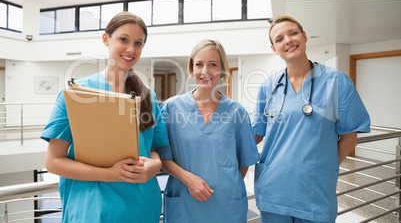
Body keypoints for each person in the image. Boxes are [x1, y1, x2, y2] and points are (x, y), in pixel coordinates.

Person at [41, 12, 169, 223]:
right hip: (92, 210)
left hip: (142, 208)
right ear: (105, 39)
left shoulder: (148, 96)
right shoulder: (77, 94)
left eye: (138, 43)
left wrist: (153, 167)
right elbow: (54, 161)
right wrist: (109, 174)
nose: (131, 49)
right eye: (123, 40)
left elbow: (153, 150)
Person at [251, 15, 370, 223]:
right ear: (274, 49)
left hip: (315, 194)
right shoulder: (269, 86)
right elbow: (255, 134)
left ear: (304, 37)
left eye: (293, 33)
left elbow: (349, 138)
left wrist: (320, 169)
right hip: (273, 190)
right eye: (279, 39)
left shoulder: (337, 82)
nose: (287, 40)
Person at [156, 40, 260, 222]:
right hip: (185, 204)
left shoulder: (237, 112)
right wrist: (188, 179)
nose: (205, 71)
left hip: (225, 205)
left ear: (222, 70)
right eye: (199, 64)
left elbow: (243, 162)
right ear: (191, 68)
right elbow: (163, 158)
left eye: (213, 64)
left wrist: (224, 185)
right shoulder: (171, 108)